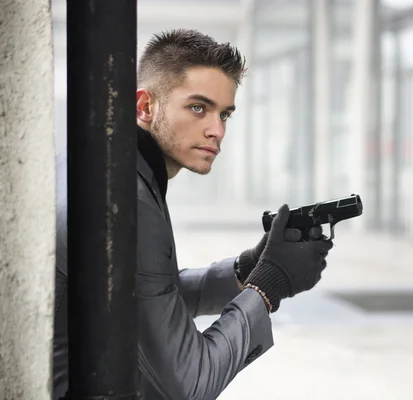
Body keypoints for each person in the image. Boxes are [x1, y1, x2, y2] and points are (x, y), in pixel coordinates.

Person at [52, 29, 334, 400]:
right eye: (198, 108)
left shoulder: (109, 163)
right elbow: (190, 384)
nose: (216, 131)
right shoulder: (125, 199)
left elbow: (145, 302)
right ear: (145, 106)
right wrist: (269, 285)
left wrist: (246, 269)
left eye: (225, 114)